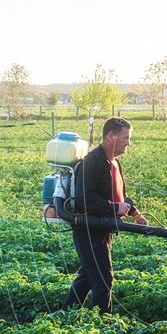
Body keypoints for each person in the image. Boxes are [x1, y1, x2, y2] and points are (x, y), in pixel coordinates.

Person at [62, 117, 147, 312]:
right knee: (103, 279)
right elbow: (85, 198)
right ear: (111, 136)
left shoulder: (114, 163)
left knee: (86, 278)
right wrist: (114, 208)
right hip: (89, 230)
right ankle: (102, 326)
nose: (129, 143)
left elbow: (120, 196)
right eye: (126, 138)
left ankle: (64, 316)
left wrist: (134, 213)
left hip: (103, 230)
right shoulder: (93, 161)